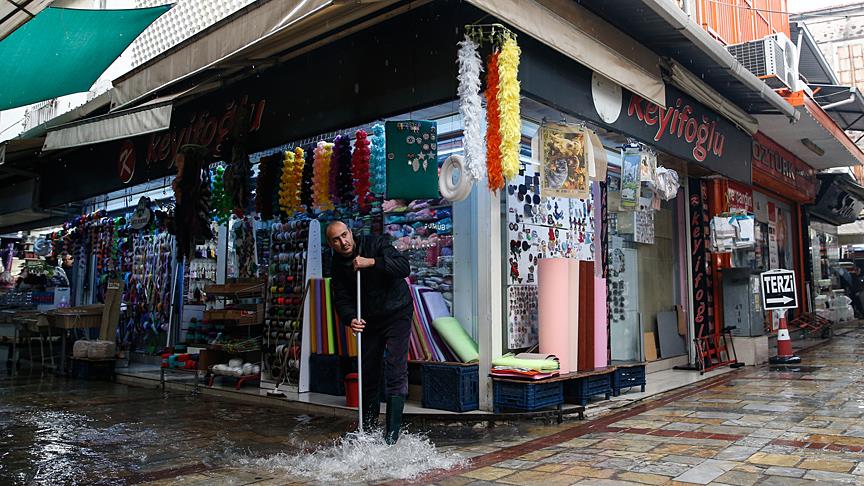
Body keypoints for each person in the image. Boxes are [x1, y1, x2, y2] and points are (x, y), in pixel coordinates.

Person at [326, 221, 412, 444]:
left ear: (351, 233)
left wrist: (372, 262)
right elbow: (341, 299)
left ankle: (391, 434)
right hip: (369, 319)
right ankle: (369, 429)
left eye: (344, 235)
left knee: (395, 369)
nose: (343, 242)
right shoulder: (336, 264)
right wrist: (350, 319)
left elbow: (403, 267)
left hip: (397, 311)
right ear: (331, 244)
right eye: (336, 239)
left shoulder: (376, 243)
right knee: (368, 372)